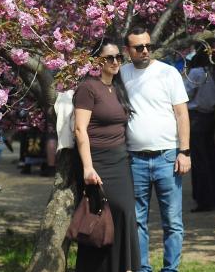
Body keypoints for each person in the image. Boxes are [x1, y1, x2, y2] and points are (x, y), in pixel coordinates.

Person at [120, 26, 190, 272]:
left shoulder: (168, 73)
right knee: (138, 220)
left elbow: (181, 114)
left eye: (148, 45)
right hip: (134, 158)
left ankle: (170, 269)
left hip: (168, 156)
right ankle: (142, 268)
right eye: (139, 47)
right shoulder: (121, 74)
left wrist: (185, 151)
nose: (146, 50)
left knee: (172, 220)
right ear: (128, 50)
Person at [73, 39, 140, 272]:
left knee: (126, 213)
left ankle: (124, 267)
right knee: (102, 217)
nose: (114, 62)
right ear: (97, 61)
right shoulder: (88, 88)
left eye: (118, 58)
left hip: (120, 161)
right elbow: (80, 129)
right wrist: (88, 167)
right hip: (98, 162)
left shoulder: (117, 87)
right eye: (108, 58)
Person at [183, 48, 215, 212]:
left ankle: (204, 199)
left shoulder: (196, 72)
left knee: (200, 161)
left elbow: (186, 94)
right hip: (213, 117)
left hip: (197, 118)